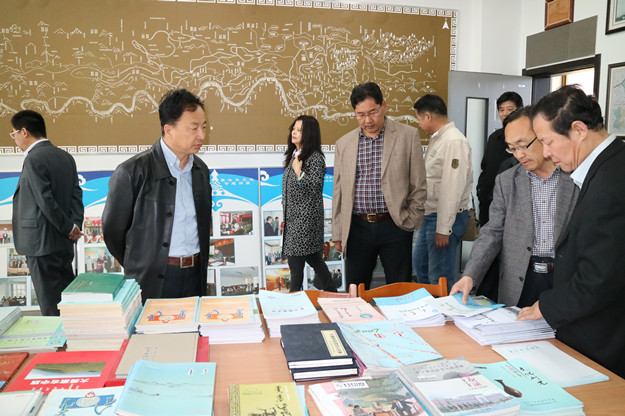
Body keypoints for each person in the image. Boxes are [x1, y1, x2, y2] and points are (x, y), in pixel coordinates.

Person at [517, 85, 625, 379]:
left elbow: (599, 279)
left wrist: (546, 306)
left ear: (578, 130)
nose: (546, 153)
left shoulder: (609, 185)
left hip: (604, 342)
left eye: (548, 141)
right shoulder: (612, 162)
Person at [450, 107, 578, 307]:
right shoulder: (507, 181)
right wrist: (470, 275)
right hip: (520, 280)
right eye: (512, 148)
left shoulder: (576, 177)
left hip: (566, 280)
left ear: (543, 135)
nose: (519, 154)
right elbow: (492, 232)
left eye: (523, 145)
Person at [102, 89, 212, 301]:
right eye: (194, 128)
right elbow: (112, 231)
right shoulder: (132, 172)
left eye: (204, 127)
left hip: (194, 276)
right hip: (153, 280)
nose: (201, 135)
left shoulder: (200, 171)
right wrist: (142, 263)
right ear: (169, 129)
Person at [332, 82, 426, 289]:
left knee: (399, 290)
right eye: (361, 115)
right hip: (357, 228)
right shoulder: (344, 144)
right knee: (356, 290)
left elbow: (419, 184)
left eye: (373, 112)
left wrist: (411, 219)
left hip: (395, 225)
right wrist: (338, 233)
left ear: (384, 106)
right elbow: (338, 191)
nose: (368, 120)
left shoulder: (407, 136)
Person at [10, 110, 83, 316]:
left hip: (40, 244)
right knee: (66, 301)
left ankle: (57, 337)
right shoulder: (66, 157)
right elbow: (76, 195)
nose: (14, 138)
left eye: (14, 133)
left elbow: (45, 200)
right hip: (64, 243)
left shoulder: (33, 159)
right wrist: (74, 226)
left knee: (50, 305)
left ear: (24, 132)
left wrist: (68, 227)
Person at [412, 94, 473, 288]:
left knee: (440, 276)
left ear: (428, 116)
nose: (420, 125)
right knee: (421, 266)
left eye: (419, 119)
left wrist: (444, 229)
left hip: (444, 217)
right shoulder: (438, 139)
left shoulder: (454, 141)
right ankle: (429, 305)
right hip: (429, 215)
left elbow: (452, 187)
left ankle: (445, 307)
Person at [475, 91, 523, 300]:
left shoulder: (525, 142)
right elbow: (485, 167)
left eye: (510, 109)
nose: (505, 113)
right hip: (488, 204)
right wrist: (480, 191)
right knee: (488, 247)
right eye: (501, 110)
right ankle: (486, 293)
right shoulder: (494, 138)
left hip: (512, 210)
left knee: (506, 255)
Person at [282, 115, 337, 292]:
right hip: (293, 222)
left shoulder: (315, 158)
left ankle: (294, 300)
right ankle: (333, 293)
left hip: (305, 223)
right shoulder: (294, 155)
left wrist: (299, 172)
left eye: (299, 130)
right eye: (294, 129)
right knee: (314, 259)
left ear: (309, 134)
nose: (294, 132)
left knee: (296, 265)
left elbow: (315, 187)